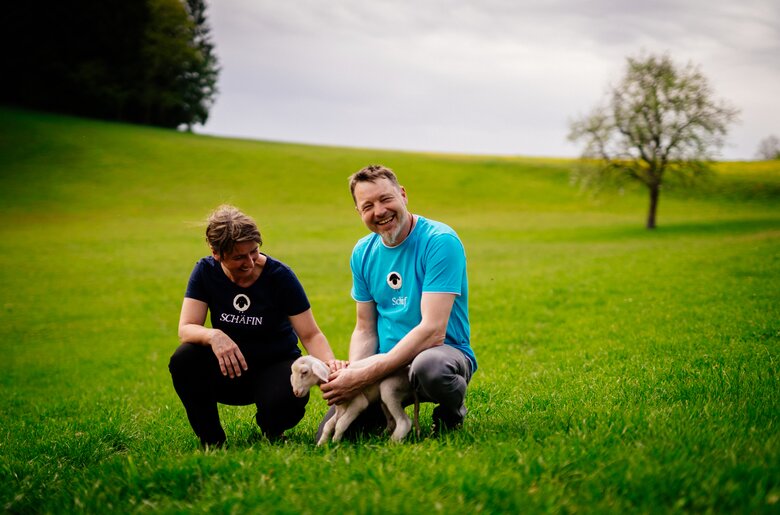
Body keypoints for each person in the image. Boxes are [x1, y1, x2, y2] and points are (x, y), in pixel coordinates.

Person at [318, 165, 477, 438]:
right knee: (340, 432)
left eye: (385, 199)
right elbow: (365, 328)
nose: (379, 211)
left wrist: (366, 373)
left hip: (440, 354)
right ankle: (386, 413)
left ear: (403, 195)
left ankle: (451, 413)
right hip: (386, 367)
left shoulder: (440, 241)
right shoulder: (362, 252)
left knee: (431, 368)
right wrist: (355, 374)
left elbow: (433, 331)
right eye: (368, 205)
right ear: (359, 212)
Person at [169, 205, 344, 448]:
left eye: (254, 252)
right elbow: (186, 328)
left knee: (282, 404)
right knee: (184, 358)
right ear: (216, 252)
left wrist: (330, 367)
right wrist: (214, 335)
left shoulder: (280, 276)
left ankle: (272, 430)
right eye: (239, 257)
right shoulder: (205, 271)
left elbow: (310, 333)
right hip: (229, 369)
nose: (249, 262)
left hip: (275, 366)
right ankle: (212, 441)